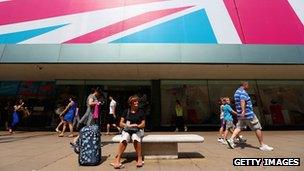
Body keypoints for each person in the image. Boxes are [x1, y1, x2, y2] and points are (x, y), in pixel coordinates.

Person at [227, 81, 274, 151]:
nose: (248, 86)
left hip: (241, 114)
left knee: (239, 127)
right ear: (244, 85)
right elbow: (242, 100)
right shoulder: (243, 92)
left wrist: (241, 112)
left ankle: (231, 139)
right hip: (248, 113)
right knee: (257, 127)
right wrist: (243, 110)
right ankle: (262, 145)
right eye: (248, 85)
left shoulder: (236, 92)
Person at [111, 95, 145, 169]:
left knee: (135, 137)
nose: (137, 102)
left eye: (137, 101)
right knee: (125, 138)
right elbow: (120, 123)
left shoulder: (141, 111)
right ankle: (118, 159)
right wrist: (128, 126)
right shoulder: (126, 111)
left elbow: (143, 124)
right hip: (127, 129)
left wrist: (137, 125)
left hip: (138, 130)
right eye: (135, 101)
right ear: (131, 103)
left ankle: (139, 158)